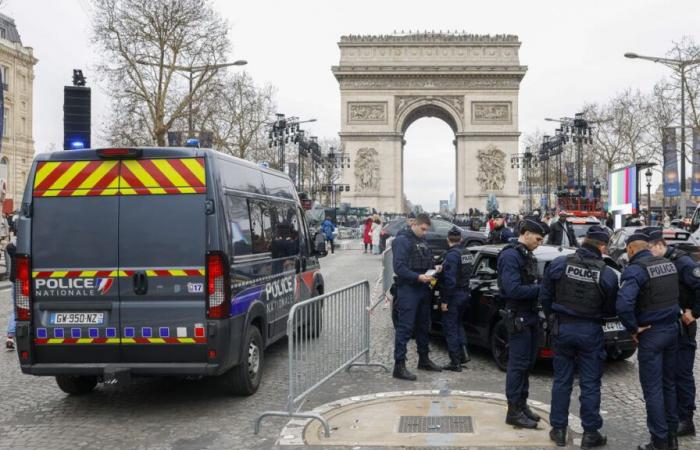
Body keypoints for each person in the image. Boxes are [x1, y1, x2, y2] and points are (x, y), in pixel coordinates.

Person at [540, 226, 618, 447]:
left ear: (585, 242)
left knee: (562, 380)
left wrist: (553, 318)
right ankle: (590, 433)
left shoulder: (560, 264)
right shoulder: (607, 274)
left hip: (562, 329)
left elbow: (545, 296)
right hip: (590, 331)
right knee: (590, 383)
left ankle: (558, 430)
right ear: (601, 247)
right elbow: (611, 309)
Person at [616, 228, 681, 450]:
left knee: (653, 389)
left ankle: (659, 441)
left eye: (628, 251)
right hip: (672, 331)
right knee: (669, 386)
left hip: (651, 334)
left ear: (633, 249)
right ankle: (672, 438)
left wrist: (633, 328)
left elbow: (623, 305)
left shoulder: (636, 270)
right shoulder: (668, 264)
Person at [646, 227, 700, 438]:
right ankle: (673, 415)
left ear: (660, 245)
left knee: (682, 373)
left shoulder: (683, 263)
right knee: (669, 373)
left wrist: (694, 313)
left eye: (651, 249)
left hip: (683, 325)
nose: (649, 253)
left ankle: (686, 419)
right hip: (668, 325)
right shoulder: (659, 262)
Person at [498, 217, 550, 429]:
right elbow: (513, 289)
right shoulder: (511, 256)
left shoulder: (525, 254)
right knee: (517, 366)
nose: (539, 243)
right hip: (518, 315)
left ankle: (522, 403)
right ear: (526, 233)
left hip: (529, 315)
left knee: (527, 364)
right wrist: (543, 289)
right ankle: (513, 410)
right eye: (537, 238)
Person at [392, 213, 442, 380]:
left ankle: (424, 359)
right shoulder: (402, 240)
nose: (425, 232)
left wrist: (435, 267)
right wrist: (417, 277)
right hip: (408, 289)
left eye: (427, 230)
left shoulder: (422, 240)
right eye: (423, 229)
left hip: (423, 288)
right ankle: (399, 365)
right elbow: (399, 267)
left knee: (423, 326)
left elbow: (424, 261)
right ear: (414, 224)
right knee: (405, 328)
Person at [439, 227, 472, 371]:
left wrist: (445, 300)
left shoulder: (451, 256)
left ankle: (455, 362)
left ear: (448, 240)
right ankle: (464, 354)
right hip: (465, 293)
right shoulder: (467, 253)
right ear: (461, 239)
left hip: (454, 295)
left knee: (450, 328)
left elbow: (450, 281)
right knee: (458, 324)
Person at [5, 237, 16, 350]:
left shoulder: (12, 247)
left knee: (16, 309)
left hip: (14, 281)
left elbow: (8, 245)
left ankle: (10, 336)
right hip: (24, 282)